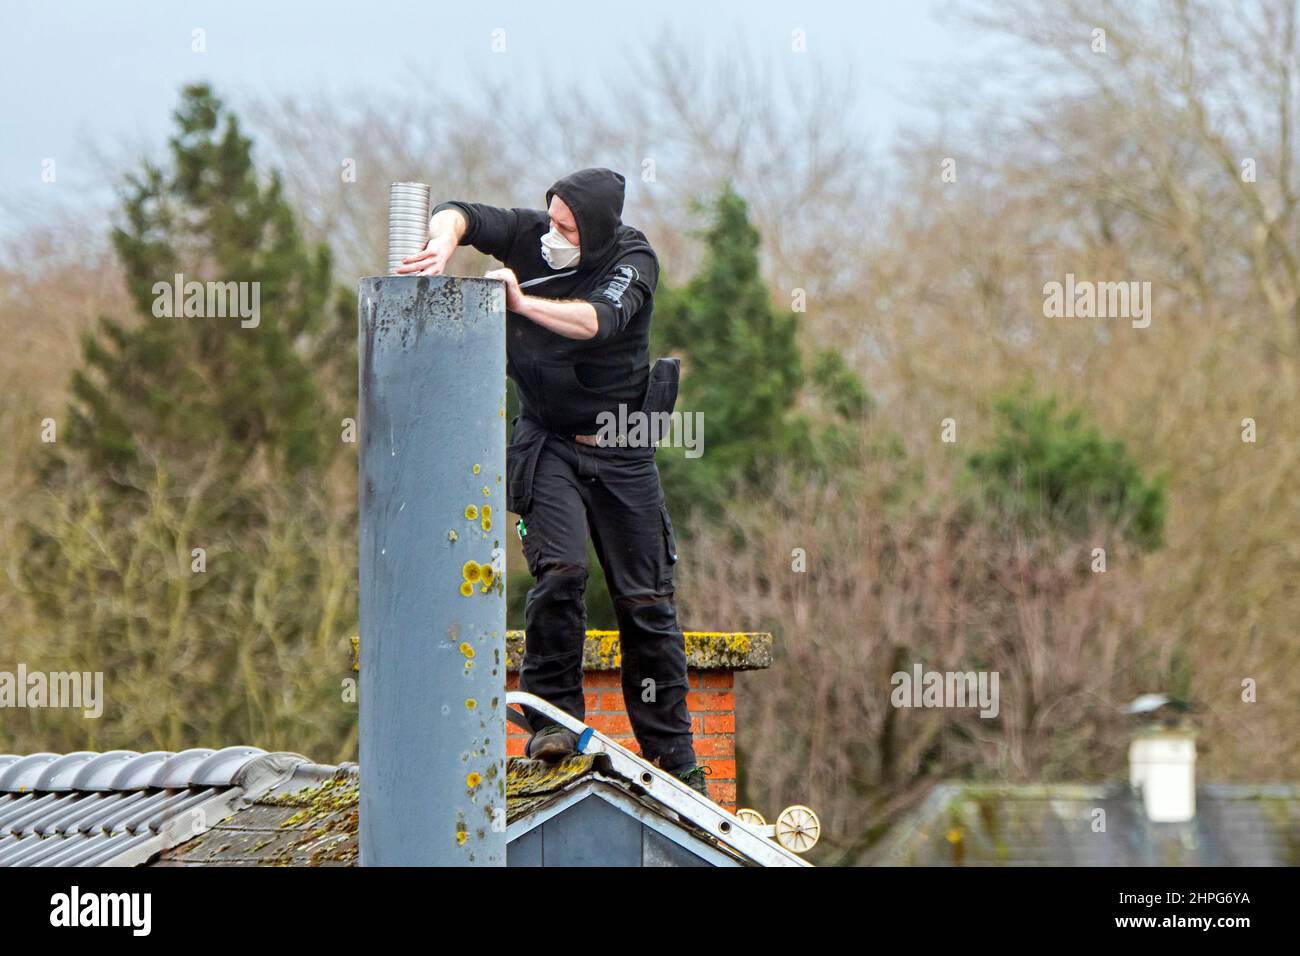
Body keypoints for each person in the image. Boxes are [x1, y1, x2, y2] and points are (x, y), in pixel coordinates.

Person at [397, 168, 710, 798]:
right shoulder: (530, 235)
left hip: (621, 450)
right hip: (547, 445)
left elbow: (598, 321)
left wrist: (521, 303)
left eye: (566, 228)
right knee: (562, 572)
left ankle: (675, 760)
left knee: (646, 602)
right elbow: (465, 212)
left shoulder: (632, 259)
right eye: (550, 219)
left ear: (593, 233)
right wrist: (443, 239)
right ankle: (552, 719)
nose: (551, 235)